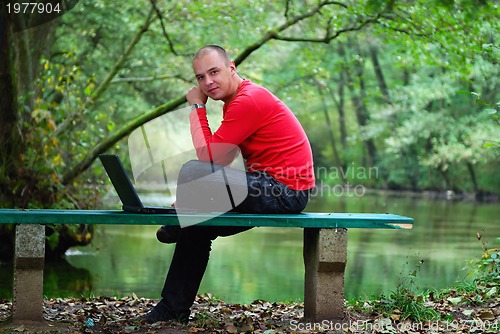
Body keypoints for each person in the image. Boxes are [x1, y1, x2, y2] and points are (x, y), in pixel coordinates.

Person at [138, 45, 315, 324]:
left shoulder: (249, 99)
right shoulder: (238, 103)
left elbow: (206, 159)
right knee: (197, 224)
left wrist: (197, 107)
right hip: (266, 188)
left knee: (193, 171)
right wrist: (196, 196)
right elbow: (218, 162)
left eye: (214, 72)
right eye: (200, 77)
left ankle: (178, 219)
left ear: (231, 67)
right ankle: (173, 309)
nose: (207, 82)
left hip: (285, 192)